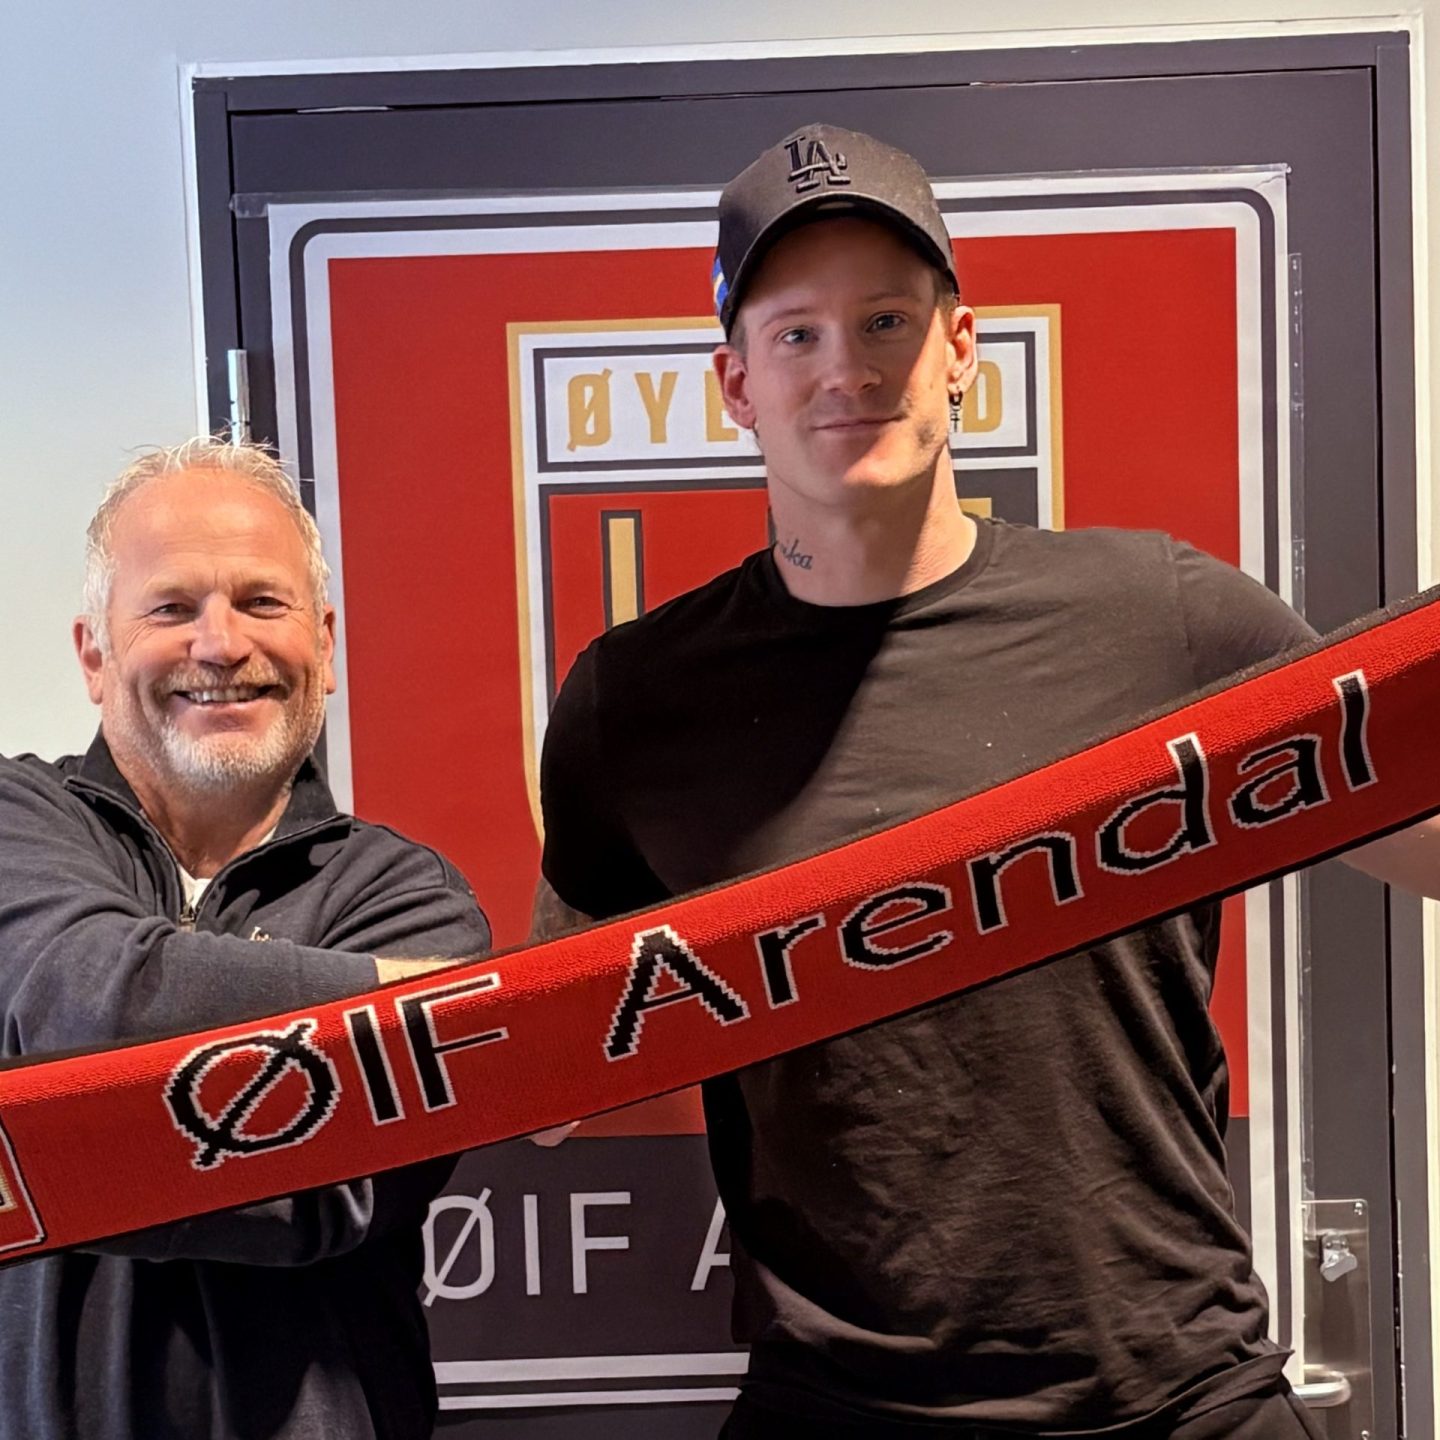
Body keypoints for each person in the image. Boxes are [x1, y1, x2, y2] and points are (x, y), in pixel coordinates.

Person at [535, 124, 1438, 1438]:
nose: (848, 368)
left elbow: (1421, 836)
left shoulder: (1161, 619)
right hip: (840, 1407)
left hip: (1178, 1397)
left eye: (887, 321)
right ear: (735, 382)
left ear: (962, 348)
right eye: (797, 334)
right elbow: (558, 1061)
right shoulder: (636, 699)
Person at [0, 438, 487, 1439]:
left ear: (326, 643)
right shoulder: (13, 820)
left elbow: (323, 1197)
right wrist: (397, 1003)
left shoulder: (414, 900)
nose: (220, 645)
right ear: (94, 655)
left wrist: (49, 1148)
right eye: (171, 608)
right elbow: (86, 996)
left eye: (262, 602)